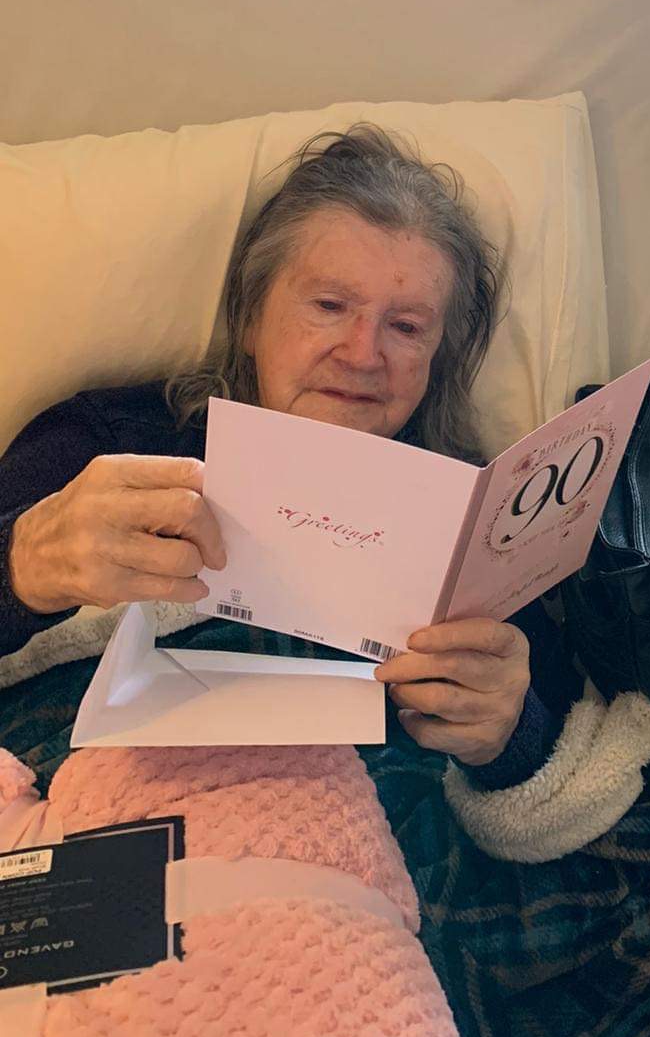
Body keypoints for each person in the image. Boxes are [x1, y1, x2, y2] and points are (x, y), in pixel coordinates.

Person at [0, 126, 577, 786]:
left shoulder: (478, 524)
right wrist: (24, 565)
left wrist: (506, 736)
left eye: (406, 327)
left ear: (437, 357)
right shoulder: (108, 440)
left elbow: (558, 752)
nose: (363, 354)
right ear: (250, 318)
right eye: (329, 306)